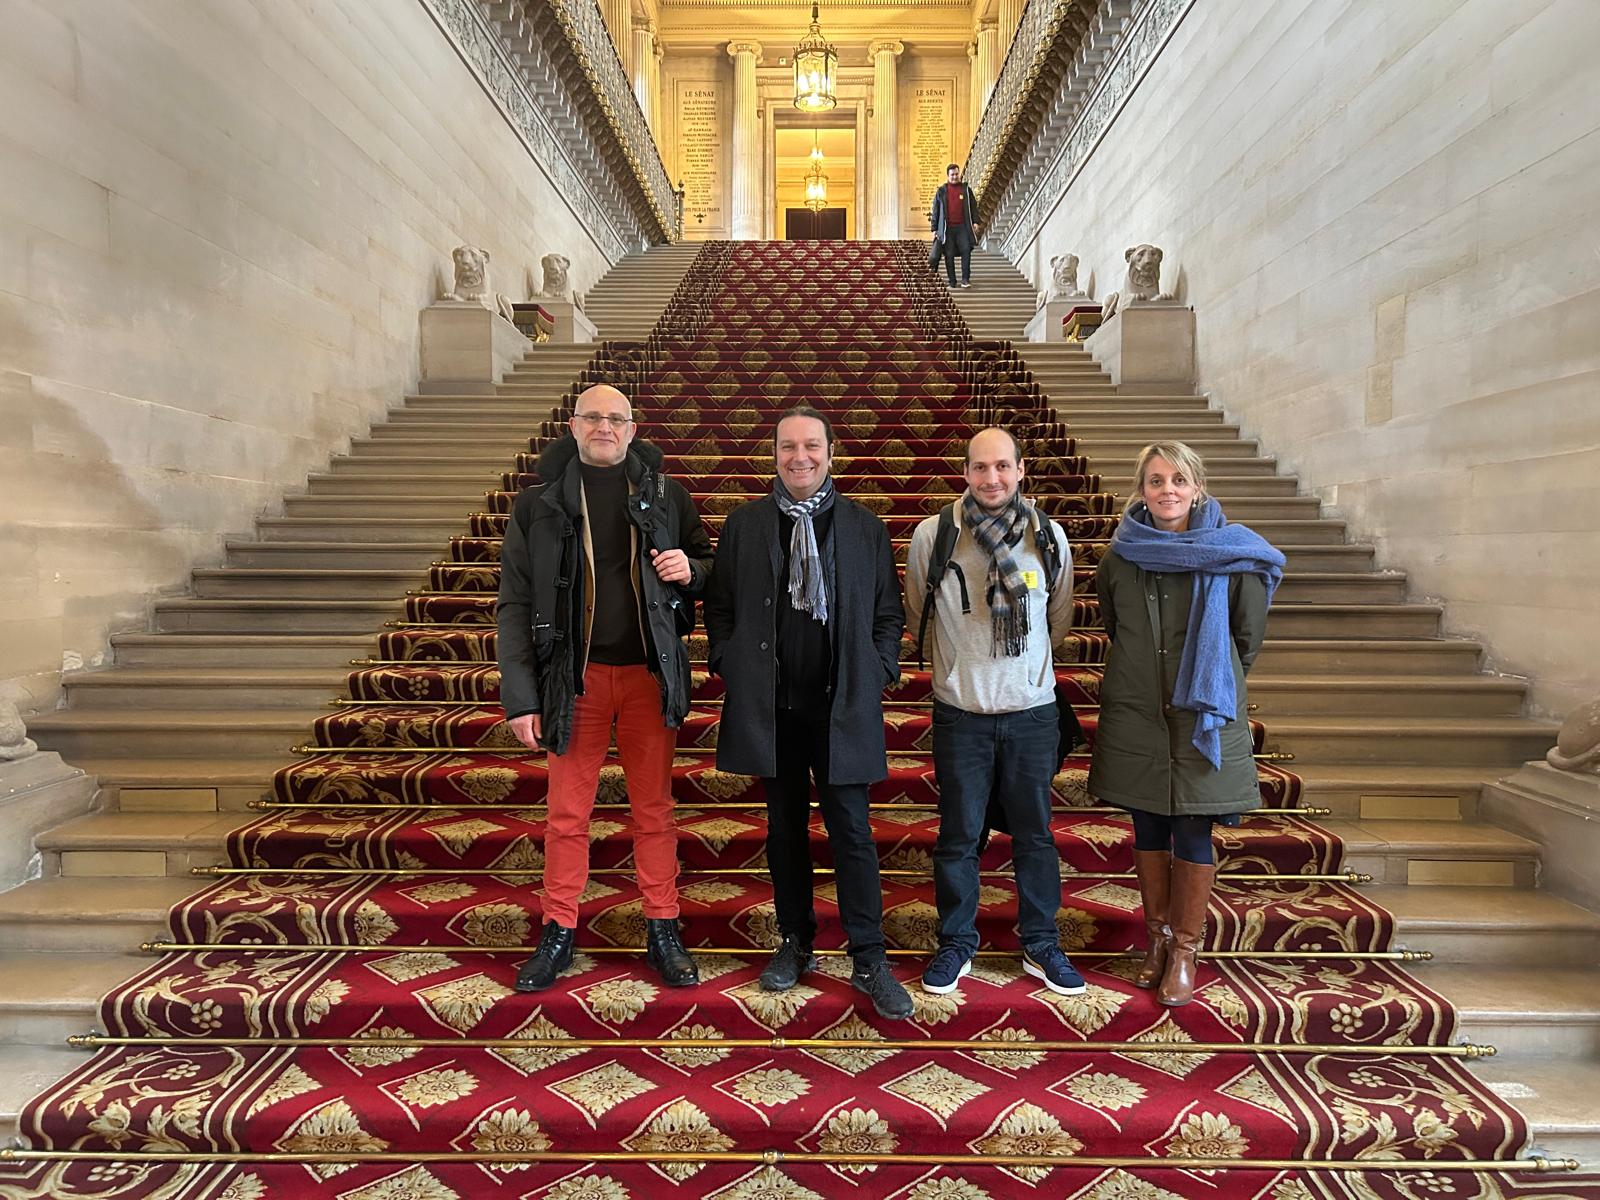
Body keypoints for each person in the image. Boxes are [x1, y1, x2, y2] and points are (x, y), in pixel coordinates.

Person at [497, 383, 715, 993]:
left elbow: (708, 567)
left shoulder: (666, 495)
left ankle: (662, 926)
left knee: (654, 810)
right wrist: (522, 695)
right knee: (567, 813)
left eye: (615, 418)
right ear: (573, 426)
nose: (604, 427)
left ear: (632, 428)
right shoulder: (538, 505)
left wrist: (689, 570)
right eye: (592, 417)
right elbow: (514, 603)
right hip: (575, 679)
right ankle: (559, 928)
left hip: (649, 674)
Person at [704, 407, 915, 1020]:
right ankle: (795, 941)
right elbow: (719, 607)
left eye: (812, 446)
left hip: (841, 707)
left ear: (831, 452)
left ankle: (869, 956)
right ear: (773, 454)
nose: (801, 456)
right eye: (789, 447)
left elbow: (887, 613)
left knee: (852, 834)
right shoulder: (744, 525)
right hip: (773, 710)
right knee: (784, 831)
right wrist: (727, 661)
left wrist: (877, 668)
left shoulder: (862, 527)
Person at [1088, 441, 1285, 1007]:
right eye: (1155, 480)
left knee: (1193, 829)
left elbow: (1244, 640)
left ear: (1196, 486)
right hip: (1138, 712)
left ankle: (1184, 952)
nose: (1166, 490)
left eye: (1178, 479)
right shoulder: (1120, 557)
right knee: (1148, 827)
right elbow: (1115, 625)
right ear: (1141, 489)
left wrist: (1208, 682)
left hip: (1204, 712)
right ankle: (1156, 941)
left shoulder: (1234, 553)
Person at [905, 428, 1082, 997]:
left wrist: (1024, 673)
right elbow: (918, 616)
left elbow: (1058, 619)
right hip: (962, 712)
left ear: (1021, 470)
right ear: (965, 472)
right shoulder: (935, 535)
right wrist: (958, 673)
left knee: (1034, 834)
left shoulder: (1048, 536)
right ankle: (956, 942)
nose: (992, 479)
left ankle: (1041, 942)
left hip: (1032, 712)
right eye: (980, 468)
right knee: (958, 835)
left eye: (1002, 467)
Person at [929, 163, 982, 289]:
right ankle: (952, 281)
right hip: (947, 229)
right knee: (949, 254)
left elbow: (973, 207)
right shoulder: (941, 191)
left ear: (959, 174)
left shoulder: (966, 190)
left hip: (963, 227)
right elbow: (935, 210)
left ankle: (965, 279)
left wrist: (975, 221)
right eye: (952, 175)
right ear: (948, 176)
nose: (955, 177)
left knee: (966, 251)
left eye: (956, 174)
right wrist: (934, 228)